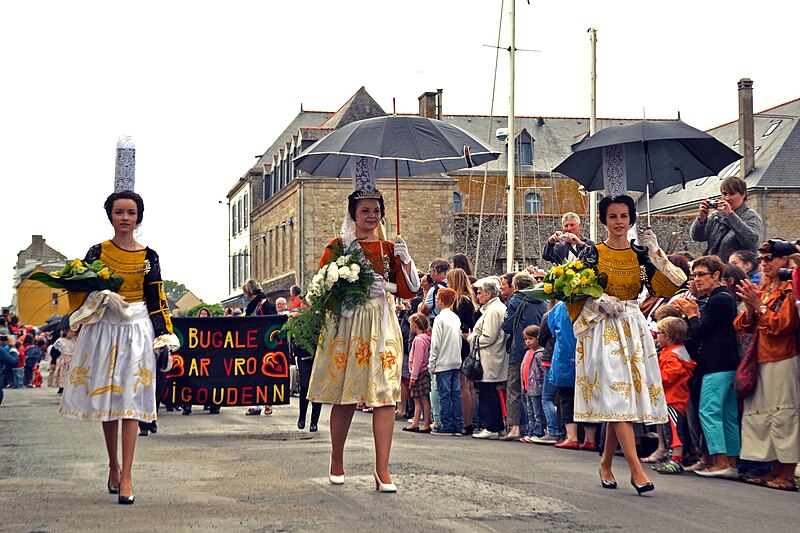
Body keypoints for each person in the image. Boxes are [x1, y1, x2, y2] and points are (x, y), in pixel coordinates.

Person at [59, 190, 176, 505]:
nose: (125, 218)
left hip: (136, 330)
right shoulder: (97, 252)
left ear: (139, 217)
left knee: (131, 402)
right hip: (103, 330)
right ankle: (113, 465)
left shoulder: (149, 256)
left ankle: (127, 477)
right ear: (110, 215)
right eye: (119, 212)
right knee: (108, 402)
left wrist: (164, 336)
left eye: (131, 212)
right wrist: (101, 296)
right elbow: (78, 291)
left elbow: (157, 298)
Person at [571, 195, 686, 495]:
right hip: (603, 330)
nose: (619, 221)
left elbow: (672, 284)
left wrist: (656, 251)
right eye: (613, 216)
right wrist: (599, 301)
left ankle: (606, 464)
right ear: (603, 221)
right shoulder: (591, 254)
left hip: (633, 328)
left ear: (632, 219)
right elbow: (572, 292)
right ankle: (637, 470)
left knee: (621, 402)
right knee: (618, 400)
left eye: (624, 216)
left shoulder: (640, 255)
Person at [307, 186, 419, 493]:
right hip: (349, 323)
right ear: (353, 214)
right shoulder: (339, 246)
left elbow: (408, 290)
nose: (371, 216)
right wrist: (346, 293)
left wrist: (405, 261)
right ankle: (336, 459)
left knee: (385, 396)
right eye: (365, 210)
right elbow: (323, 288)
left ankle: (382, 468)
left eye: (376, 210)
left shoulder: (388, 247)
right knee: (347, 394)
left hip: (382, 324)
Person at [734, 241, 800, 491]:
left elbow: (784, 324)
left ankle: (788, 473)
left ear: (785, 260)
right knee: (765, 415)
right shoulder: (765, 287)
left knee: (784, 415)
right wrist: (752, 308)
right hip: (761, 356)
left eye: (770, 258)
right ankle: (774, 468)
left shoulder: (791, 287)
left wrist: (758, 306)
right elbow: (742, 324)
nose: (764, 263)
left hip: (783, 357)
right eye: (762, 259)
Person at [673, 256, 741, 480]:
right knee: (727, 414)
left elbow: (700, 332)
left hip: (716, 363)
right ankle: (730, 462)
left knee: (709, 412)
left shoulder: (718, 299)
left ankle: (720, 460)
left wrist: (692, 315)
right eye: (694, 276)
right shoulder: (724, 297)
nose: (697, 280)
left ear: (716, 276)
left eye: (701, 275)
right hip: (727, 362)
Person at [501, 272, 546, 440]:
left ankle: (515, 428)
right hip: (540, 351)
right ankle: (537, 427)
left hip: (519, 350)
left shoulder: (515, 301)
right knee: (536, 391)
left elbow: (507, 326)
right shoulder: (543, 302)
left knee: (514, 389)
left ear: (517, 287)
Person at [652, 317, 696, 474]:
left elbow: (669, 376)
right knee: (669, 430)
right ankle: (671, 458)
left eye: (658, 333)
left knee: (674, 430)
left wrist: (654, 378)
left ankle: (676, 460)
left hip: (674, 399)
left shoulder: (673, 355)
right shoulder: (671, 352)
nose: (657, 336)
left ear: (667, 335)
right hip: (670, 398)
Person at [466, 277, 508, 440]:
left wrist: (471, 338)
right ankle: (495, 426)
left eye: (479, 292)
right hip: (491, 356)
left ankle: (491, 426)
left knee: (488, 393)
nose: (477, 296)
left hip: (490, 357)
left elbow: (488, 337)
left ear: (489, 294)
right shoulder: (494, 308)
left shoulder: (493, 311)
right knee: (489, 392)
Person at [690, 176, 763, 260]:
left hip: (739, 270)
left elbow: (752, 242)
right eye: (724, 194)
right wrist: (701, 219)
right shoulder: (716, 216)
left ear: (743, 194)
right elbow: (697, 237)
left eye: (732, 194)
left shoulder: (751, 216)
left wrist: (731, 216)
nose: (727, 198)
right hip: (715, 269)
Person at [446, 268, 478, 435]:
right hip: (467, 344)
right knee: (469, 386)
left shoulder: (460, 302)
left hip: (461, 344)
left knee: (464, 386)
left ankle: (467, 422)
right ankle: (470, 421)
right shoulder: (469, 300)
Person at [428, 288, 463, 437]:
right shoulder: (455, 317)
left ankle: (447, 424)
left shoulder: (439, 319)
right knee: (456, 394)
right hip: (456, 359)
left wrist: (432, 362)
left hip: (443, 361)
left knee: (444, 394)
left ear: (441, 301)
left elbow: (435, 343)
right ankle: (457, 424)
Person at [242, 279, 276, 417]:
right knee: (254, 376)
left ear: (249, 291)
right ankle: (255, 405)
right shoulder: (252, 306)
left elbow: (273, 325)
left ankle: (267, 403)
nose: (244, 295)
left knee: (265, 375)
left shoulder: (266, 305)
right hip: (254, 347)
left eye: (245, 291)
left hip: (264, 347)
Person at [403, 312, 432, 433]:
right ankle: (415, 422)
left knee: (422, 399)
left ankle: (426, 423)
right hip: (421, 372)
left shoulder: (419, 340)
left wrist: (413, 376)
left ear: (415, 325)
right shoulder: (426, 338)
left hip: (419, 373)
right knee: (417, 398)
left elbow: (418, 359)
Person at [519, 325, 546, 443]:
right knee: (530, 412)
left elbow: (543, 372)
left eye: (531, 338)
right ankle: (531, 433)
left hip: (536, 388)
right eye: (526, 339)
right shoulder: (528, 353)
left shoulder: (540, 354)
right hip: (527, 388)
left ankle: (538, 433)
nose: (528, 341)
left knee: (537, 412)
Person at [50, 328, 77, 394]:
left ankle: (69, 387)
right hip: (63, 359)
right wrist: (53, 362)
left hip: (72, 359)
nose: (73, 334)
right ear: (66, 332)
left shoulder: (75, 340)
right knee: (62, 373)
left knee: (70, 374)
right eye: (71, 332)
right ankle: (61, 387)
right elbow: (54, 352)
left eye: (74, 332)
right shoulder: (60, 341)